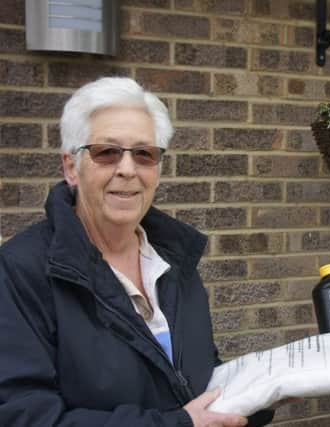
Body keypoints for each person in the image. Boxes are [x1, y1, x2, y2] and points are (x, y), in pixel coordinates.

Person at [0, 77, 274, 427]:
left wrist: (268, 391)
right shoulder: (20, 271)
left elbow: (192, 378)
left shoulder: (175, 261)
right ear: (71, 167)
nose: (127, 170)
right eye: (106, 152)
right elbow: (23, 417)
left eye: (144, 154)